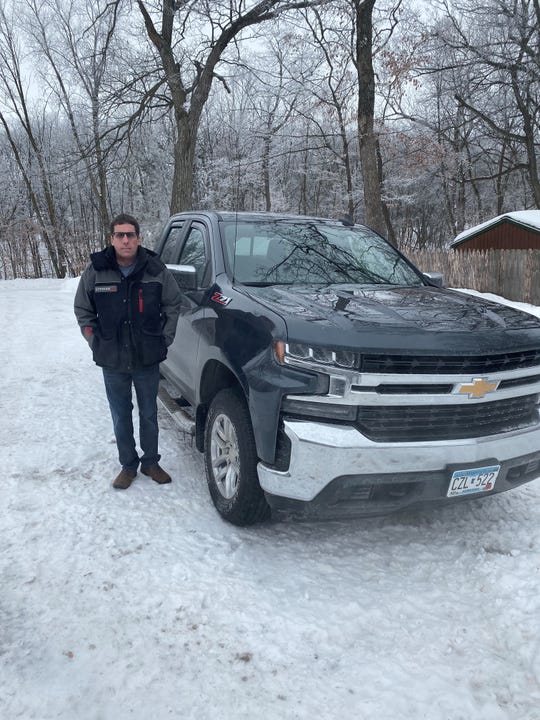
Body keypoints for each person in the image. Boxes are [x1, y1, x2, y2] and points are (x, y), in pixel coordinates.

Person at [74, 213, 183, 490]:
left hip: (147, 357)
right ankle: (128, 465)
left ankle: (150, 463)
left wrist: (165, 339)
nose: (125, 240)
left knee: (148, 413)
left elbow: (173, 304)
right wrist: (93, 339)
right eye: (119, 235)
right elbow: (83, 309)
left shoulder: (155, 269)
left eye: (130, 235)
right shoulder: (97, 270)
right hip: (112, 358)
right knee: (121, 414)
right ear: (111, 239)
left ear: (138, 238)